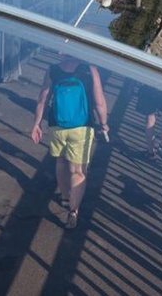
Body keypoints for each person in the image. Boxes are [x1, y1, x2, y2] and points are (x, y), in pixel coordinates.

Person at [31, 55, 108, 229]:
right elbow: (99, 101)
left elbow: (43, 99)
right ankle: (73, 211)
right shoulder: (90, 69)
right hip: (82, 127)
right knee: (78, 172)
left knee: (61, 162)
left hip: (57, 126)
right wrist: (104, 124)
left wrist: (36, 124)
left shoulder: (53, 70)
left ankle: (65, 197)